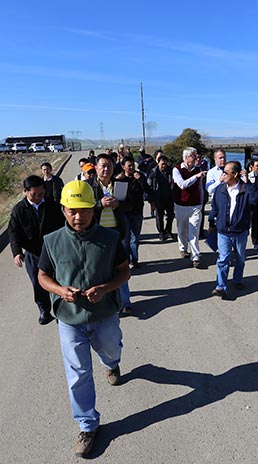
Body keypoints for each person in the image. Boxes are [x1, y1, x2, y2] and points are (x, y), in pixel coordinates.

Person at [38, 180, 130, 458]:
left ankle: (111, 363)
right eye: (72, 211)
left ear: (93, 208)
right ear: (63, 209)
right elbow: (43, 276)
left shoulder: (110, 239)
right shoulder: (52, 242)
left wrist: (105, 288)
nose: (79, 217)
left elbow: (124, 271)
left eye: (84, 210)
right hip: (69, 319)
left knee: (111, 350)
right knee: (78, 373)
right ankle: (88, 425)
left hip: (104, 316)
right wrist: (59, 290)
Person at [8, 175, 64, 324]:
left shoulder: (52, 206)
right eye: (34, 194)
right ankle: (44, 310)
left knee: (57, 281)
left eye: (41, 193)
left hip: (53, 251)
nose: (39, 197)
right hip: (33, 253)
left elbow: (63, 227)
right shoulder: (19, 210)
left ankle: (59, 309)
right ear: (25, 191)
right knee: (38, 283)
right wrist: (17, 252)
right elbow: (13, 233)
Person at [88, 153, 134, 314]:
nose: (106, 169)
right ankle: (101, 300)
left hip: (116, 232)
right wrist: (99, 204)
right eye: (103, 166)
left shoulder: (120, 184)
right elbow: (83, 208)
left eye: (109, 166)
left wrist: (118, 205)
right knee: (98, 269)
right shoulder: (87, 186)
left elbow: (131, 205)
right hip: (96, 234)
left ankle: (125, 302)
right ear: (95, 167)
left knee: (121, 268)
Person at [208, 161, 251, 299]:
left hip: (240, 231)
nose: (223, 174)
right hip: (223, 231)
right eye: (223, 171)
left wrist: (248, 182)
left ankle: (237, 280)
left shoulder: (246, 190)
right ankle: (221, 286)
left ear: (235, 174)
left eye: (226, 172)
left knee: (240, 258)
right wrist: (211, 222)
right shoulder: (220, 190)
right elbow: (214, 208)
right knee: (223, 259)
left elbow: (257, 201)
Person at [172, 147, 207, 268]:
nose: (196, 158)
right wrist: (196, 177)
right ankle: (183, 248)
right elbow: (182, 185)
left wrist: (201, 203)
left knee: (194, 231)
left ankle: (195, 257)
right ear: (186, 157)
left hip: (196, 205)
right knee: (182, 229)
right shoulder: (176, 170)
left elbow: (200, 189)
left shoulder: (198, 169)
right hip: (181, 205)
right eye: (193, 156)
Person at [117, 156, 150, 267]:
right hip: (124, 212)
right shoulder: (120, 178)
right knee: (125, 239)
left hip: (137, 211)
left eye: (133, 165)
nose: (131, 168)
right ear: (123, 167)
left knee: (135, 237)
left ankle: (134, 259)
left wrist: (140, 179)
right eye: (129, 166)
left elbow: (148, 190)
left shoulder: (140, 177)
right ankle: (126, 260)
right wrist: (116, 180)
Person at [147, 155, 175, 241]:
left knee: (171, 215)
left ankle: (168, 230)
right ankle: (161, 232)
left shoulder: (171, 171)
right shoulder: (153, 174)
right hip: (158, 198)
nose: (164, 166)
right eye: (162, 164)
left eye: (165, 164)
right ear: (158, 163)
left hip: (169, 197)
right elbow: (149, 187)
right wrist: (151, 201)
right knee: (159, 217)